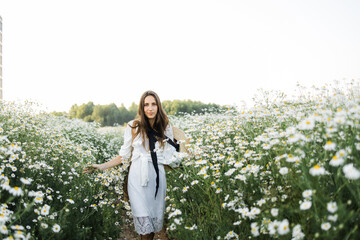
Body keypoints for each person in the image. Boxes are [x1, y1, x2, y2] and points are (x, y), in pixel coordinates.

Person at [83, 90, 186, 240]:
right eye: (146, 105)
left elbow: (170, 156)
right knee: (143, 223)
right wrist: (101, 166)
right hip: (137, 178)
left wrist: (186, 159)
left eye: (153, 104)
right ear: (141, 107)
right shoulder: (133, 127)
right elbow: (124, 156)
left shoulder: (165, 127)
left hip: (156, 178)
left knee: (151, 227)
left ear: (158, 106)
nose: (150, 108)